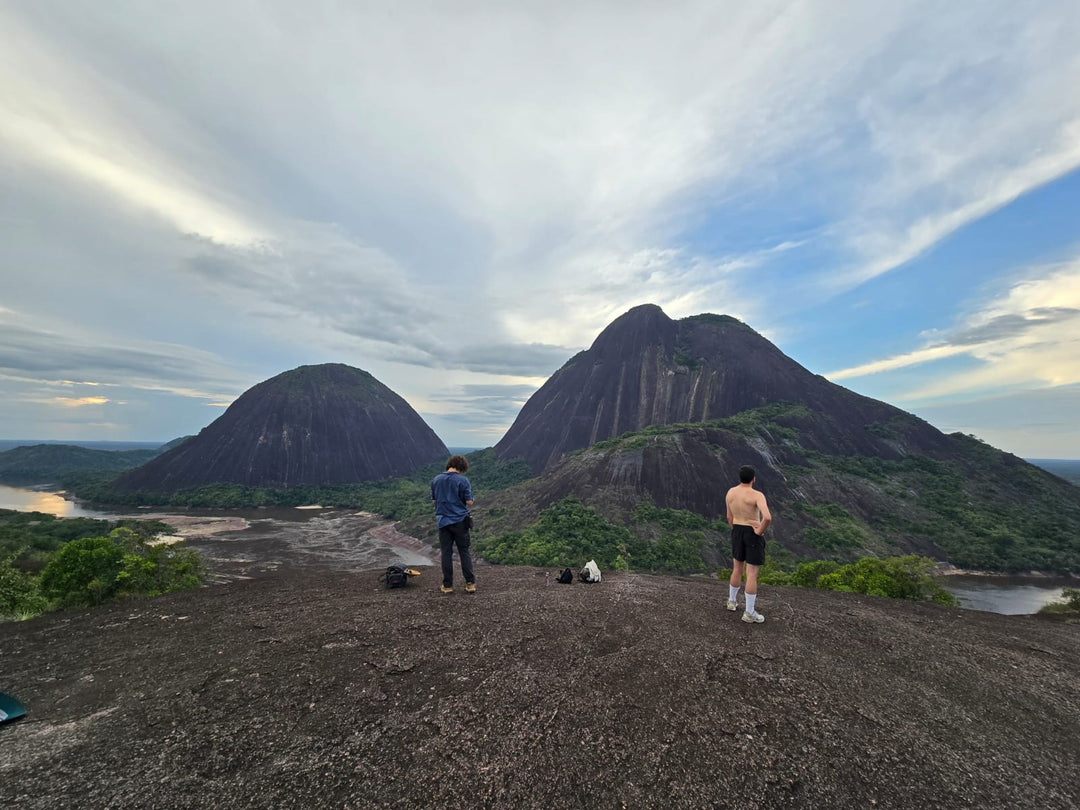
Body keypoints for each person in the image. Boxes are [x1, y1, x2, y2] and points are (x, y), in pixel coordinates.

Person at [725, 464, 772, 623]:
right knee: (751, 573)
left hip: (737, 529)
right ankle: (749, 612)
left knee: (737, 568)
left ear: (740, 478)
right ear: (753, 479)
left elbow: (729, 518)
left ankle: (732, 602)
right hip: (752, 532)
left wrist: (735, 530)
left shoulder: (731, 492)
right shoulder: (757, 495)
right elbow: (767, 517)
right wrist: (758, 532)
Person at [431, 454, 475, 594]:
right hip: (460, 521)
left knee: (446, 553)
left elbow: (434, 501)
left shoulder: (436, 480)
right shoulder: (463, 481)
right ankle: (470, 584)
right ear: (462, 467)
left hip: (443, 522)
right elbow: (469, 502)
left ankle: (447, 586)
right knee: (464, 552)